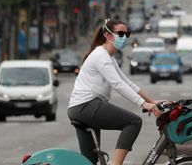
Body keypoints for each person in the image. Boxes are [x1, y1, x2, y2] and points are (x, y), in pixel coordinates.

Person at [68, 19, 162, 165]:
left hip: (81, 108)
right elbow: (117, 84)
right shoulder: (100, 55)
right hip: (86, 105)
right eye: (120, 33)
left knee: (89, 162)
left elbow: (126, 82)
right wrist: (143, 104)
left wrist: (151, 101)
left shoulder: (107, 56)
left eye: (127, 34)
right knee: (133, 122)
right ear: (108, 35)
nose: (124, 37)